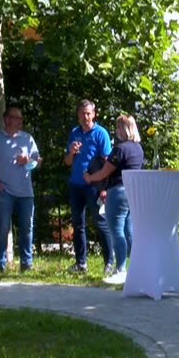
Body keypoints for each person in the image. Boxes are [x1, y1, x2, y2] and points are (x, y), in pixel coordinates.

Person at [86, 114, 145, 285]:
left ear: (124, 129)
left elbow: (105, 171)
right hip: (133, 192)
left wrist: (90, 178)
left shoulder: (120, 149)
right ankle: (137, 268)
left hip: (118, 191)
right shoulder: (138, 148)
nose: (116, 131)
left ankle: (121, 269)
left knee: (116, 231)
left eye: (118, 127)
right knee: (129, 231)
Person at [0, 105, 41, 273]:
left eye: (21, 118)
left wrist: (29, 160)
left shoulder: (28, 138)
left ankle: (27, 263)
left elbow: (38, 162)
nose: (20, 121)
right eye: (17, 118)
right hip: (4, 191)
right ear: (7, 119)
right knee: (3, 227)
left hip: (25, 192)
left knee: (27, 227)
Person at [63, 99, 113, 275]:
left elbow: (108, 163)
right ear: (78, 115)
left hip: (94, 186)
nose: (85, 117)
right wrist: (72, 152)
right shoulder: (74, 133)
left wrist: (104, 187)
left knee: (101, 223)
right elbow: (67, 162)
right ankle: (81, 263)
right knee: (78, 225)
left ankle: (109, 262)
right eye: (82, 113)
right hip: (76, 185)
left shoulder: (101, 134)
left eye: (88, 113)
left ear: (94, 114)